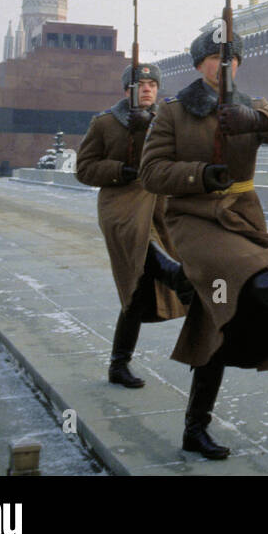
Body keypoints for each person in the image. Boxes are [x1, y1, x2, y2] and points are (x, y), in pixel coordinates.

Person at [139, 28, 268, 460]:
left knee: (213, 324)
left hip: (240, 215)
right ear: (199, 63)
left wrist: (258, 120)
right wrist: (200, 174)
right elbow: (152, 172)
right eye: (216, 59)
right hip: (193, 217)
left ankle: (194, 429)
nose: (225, 66)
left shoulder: (248, 106)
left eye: (233, 59)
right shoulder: (174, 113)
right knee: (240, 266)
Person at [75, 63, 193, 389]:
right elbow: (84, 169)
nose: (147, 89)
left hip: (157, 205)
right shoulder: (105, 123)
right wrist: (119, 169)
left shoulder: (165, 120)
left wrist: (153, 125)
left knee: (136, 291)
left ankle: (118, 364)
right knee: (144, 246)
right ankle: (178, 277)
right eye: (140, 84)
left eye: (153, 84)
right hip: (121, 206)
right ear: (126, 89)